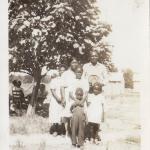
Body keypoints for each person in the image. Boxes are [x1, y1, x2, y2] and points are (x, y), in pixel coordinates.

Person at [61, 58, 79, 138]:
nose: (75, 64)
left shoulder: (79, 72)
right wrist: (63, 98)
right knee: (67, 115)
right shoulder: (65, 74)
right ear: (70, 64)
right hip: (68, 97)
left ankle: (74, 132)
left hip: (76, 97)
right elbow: (62, 87)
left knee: (75, 115)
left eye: (76, 62)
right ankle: (67, 132)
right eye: (73, 62)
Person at [49, 65, 66, 136]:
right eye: (61, 70)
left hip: (64, 99)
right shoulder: (55, 80)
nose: (62, 72)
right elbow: (52, 90)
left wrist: (63, 99)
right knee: (55, 114)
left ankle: (62, 130)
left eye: (64, 70)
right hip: (56, 100)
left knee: (63, 114)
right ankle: (55, 130)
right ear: (59, 71)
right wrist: (57, 98)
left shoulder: (66, 80)